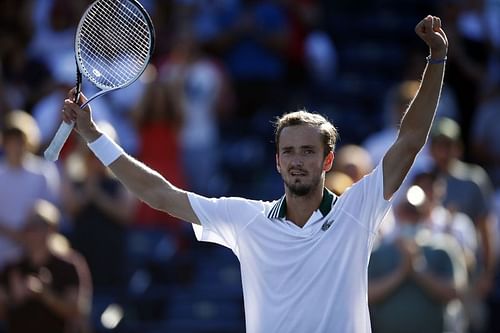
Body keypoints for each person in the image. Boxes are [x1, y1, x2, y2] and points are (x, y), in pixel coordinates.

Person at [61, 15, 448, 333]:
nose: (297, 160)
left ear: (327, 161)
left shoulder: (357, 211)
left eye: (308, 152)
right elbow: (158, 193)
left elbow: (411, 139)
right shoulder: (247, 219)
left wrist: (436, 60)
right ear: (277, 162)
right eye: (289, 152)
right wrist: (94, 136)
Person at [0, 199, 92, 333]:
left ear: (51, 228)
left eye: (36, 225)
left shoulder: (69, 265)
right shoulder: (13, 267)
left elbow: (77, 311)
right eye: (27, 226)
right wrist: (13, 298)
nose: (30, 232)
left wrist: (45, 294)